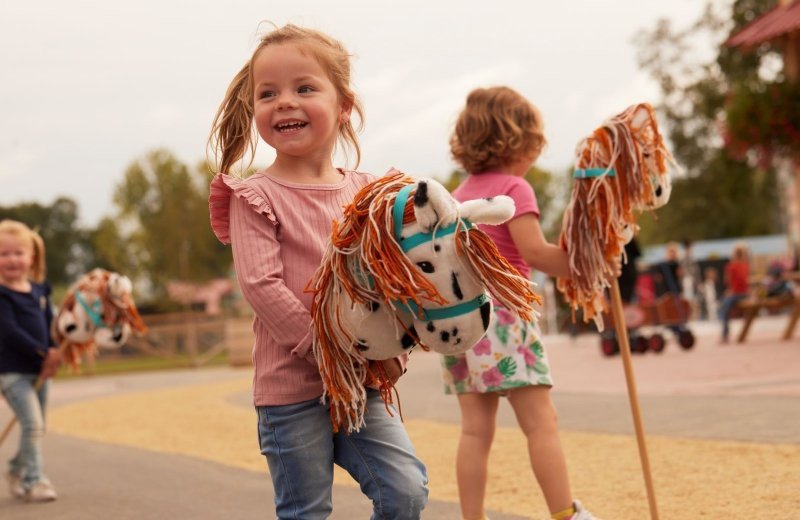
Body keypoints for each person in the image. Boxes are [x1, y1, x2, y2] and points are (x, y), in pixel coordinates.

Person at [206, 24, 428, 519]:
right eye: (268, 93)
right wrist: (336, 357)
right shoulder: (254, 196)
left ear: (344, 105)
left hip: (363, 386)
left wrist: (392, 353)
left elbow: (396, 283)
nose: (284, 101)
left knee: (405, 491)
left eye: (304, 88)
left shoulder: (371, 193)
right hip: (291, 390)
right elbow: (262, 287)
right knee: (306, 511)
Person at [440, 86, 597, 520]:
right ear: (518, 140)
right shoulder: (514, 188)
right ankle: (565, 514)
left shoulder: (459, 194)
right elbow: (535, 253)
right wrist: (587, 265)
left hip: (463, 321)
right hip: (506, 316)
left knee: (475, 432)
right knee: (541, 423)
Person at [0, 219, 61, 502]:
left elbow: (51, 327)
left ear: (31, 257)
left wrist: (55, 349)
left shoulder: (39, 291)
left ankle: (15, 468)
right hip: (12, 372)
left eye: (18, 253)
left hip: (40, 371)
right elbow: (9, 331)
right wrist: (42, 351)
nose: (12, 259)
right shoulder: (2, 295)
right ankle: (35, 480)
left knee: (37, 426)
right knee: (33, 424)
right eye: (4, 254)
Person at [718, 242, 751, 344]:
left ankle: (725, 334)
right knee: (725, 306)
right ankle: (725, 334)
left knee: (723, 310)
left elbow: (727, 281)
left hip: (736, 294)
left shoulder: (731, 266)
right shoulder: (746, 265)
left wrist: (730, 291)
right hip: (744, 293)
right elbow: (745, 281)